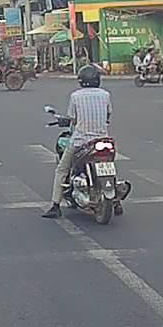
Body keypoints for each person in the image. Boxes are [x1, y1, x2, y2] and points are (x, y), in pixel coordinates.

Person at [43, 64, 120, 218]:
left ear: (81, 80)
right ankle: (117, 203)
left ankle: (55, 205)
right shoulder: (105, 95)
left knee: (62, 169)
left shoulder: (76, 96)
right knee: (108, 166)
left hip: (81, 141)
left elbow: (73, 118)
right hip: (102, 139)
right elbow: (108, 115)